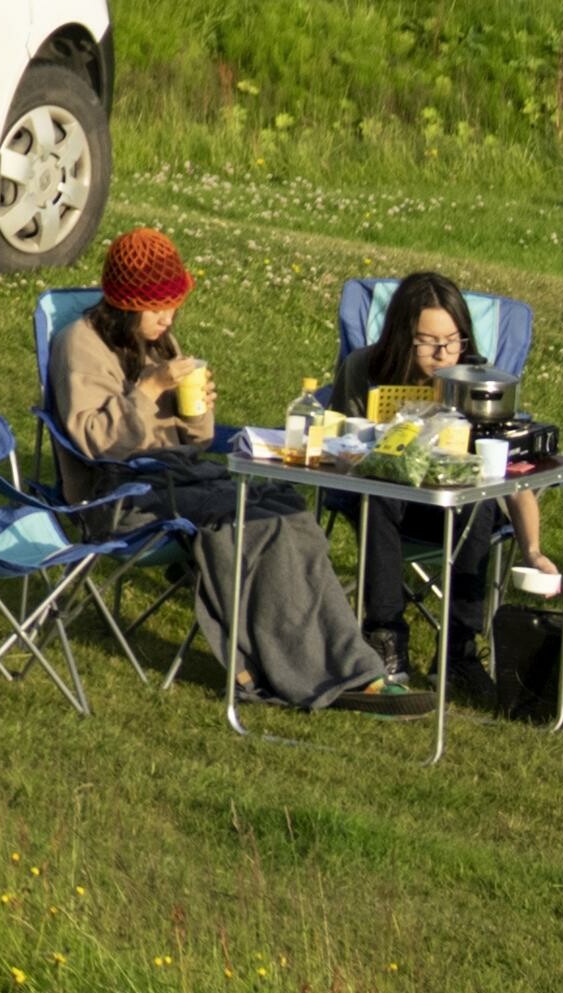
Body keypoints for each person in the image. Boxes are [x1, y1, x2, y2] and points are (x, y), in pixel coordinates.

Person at [47, 227, 386, 708]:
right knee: (249, 522)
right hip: (119, 493)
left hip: (178, 475)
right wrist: (146, 391)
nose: (168, 317)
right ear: (125, 304)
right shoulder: (78, 344)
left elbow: (197, 441)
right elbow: (94, 442)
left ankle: (345, 660)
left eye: (173, 305)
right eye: (157, 307)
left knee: (287, 508)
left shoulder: (158, 341)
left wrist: (196, 410)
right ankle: (294, 672)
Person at [350, 267, 545, 692]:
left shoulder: (479, 386)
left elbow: (510, 474)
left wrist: (533, 549)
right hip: (380, 505)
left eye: (453, 341)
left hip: (451, 514)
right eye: (428, 342)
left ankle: (458, 652)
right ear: (403, 336)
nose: (443, 354)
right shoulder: (364, 370)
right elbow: (336, 448)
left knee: (475, 502)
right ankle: (385, 639)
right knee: (379, 494)